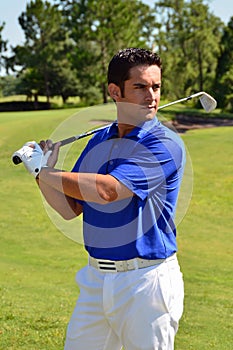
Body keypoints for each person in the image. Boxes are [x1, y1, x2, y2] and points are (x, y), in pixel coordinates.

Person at [17, 48, 185, 350]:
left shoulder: (165, 143)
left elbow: (107, 191)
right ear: (114, 90)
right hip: (96, 279)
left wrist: (45, 171)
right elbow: (71, 207)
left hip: (146, 283)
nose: (152, 96)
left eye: (156, 87)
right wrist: (42, 174)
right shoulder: (99, 141)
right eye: (140, 87)